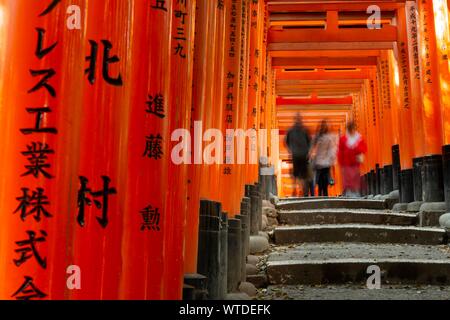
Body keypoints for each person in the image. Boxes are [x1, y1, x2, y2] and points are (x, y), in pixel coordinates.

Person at [285, 114, 313, 197]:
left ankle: (300, 191)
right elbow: (309, 142)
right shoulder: (302, 130)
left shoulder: (294, 130)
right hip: (299, 154)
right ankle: (298, 191)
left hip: (300, 154)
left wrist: (291, 149)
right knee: (299, 174)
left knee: (300, 174)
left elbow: (287, 142)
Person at [338, 121, 367, 197]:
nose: (352, 131)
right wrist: (341, 162)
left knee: (355, 177)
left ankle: (355, 192)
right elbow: (340, 151)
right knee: (348, 178)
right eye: (351, 129)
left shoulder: (359, 138)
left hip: (355, 162)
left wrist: (358, 151)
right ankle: (349, 192)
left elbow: (364, 148)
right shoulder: (343, 139)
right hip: (346, 162)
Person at [310, 120, 337, 197]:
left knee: (320, 179)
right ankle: (325, 194)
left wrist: (310, 154)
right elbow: (331, 149)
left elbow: (312, 146)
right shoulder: (328, 137)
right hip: (325, 162)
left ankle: (321, 193)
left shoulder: (318, 137)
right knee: (324, 179)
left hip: (320, 162)